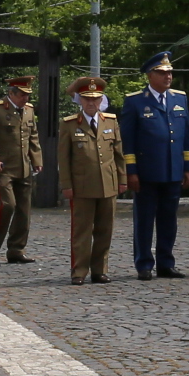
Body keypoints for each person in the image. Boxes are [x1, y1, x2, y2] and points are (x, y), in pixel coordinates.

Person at [121, 51, 189, 279]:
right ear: (150, 75)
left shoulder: (179, 98)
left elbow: (187, 136)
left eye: (170, 72)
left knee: (168, 220)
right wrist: (131, 171)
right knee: (144, 220)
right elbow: (127, 141)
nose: (168, 76)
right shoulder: (135, 101)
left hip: (173, 170)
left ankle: (166, 263)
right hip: (147, 172)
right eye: (162, 73)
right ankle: (144, 264)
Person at [58, 76, 122, 285]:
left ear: (101, 99)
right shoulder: (69, 125)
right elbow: (64, 158)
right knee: (82, 232)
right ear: (80, 100)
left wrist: (122, 181)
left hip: (107, 184)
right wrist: (66, 185)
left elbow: (118, 154)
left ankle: (99, 270)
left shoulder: (110, 122)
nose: (91, 103)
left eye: (95, 98)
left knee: (105, 230)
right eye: (86, 98)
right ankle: (79, 271)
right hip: (82, 186)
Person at [0, 72, 42, 263]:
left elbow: (33, 137)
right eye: (22, 94)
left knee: (24, 210)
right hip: (3, 167)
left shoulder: (29, 110)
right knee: (8, 205)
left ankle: (16, 249)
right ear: (12, 93)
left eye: (27, 95)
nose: (26, 98)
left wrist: (37, 159)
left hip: (24, 167)